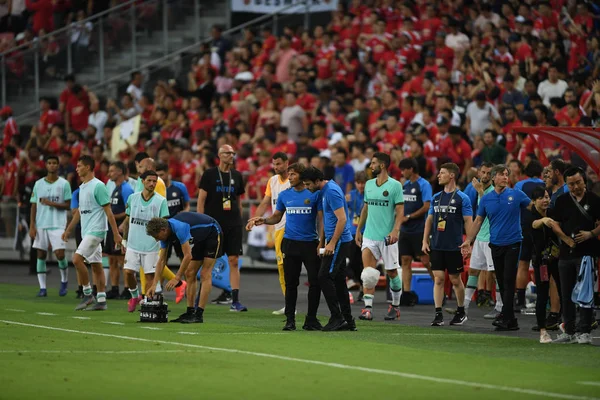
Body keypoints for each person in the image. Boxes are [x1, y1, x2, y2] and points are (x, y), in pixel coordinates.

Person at [247, 163, 322, 331]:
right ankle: (290, 320)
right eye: (289, 174)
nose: (290, 177)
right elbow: (276, 216)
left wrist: (322, 242)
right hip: (290, 243)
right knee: (290, 284)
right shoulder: (284, 195)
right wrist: (263, 220)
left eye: (293, 174)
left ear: (302, 176)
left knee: (315, 282)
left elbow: (322, 219)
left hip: (310, 243)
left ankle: (311, 320)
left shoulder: (314, 194)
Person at [461, 164, 532, 331]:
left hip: (513, 243)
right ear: (494, 178)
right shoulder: (486, 198)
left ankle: (505, 315)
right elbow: (478, 220)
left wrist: (544, 217)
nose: (505, 177)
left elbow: (533, 207)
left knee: (507, 279)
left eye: (507, 174)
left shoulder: (516, 194)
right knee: (500, 279)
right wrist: (469, 240)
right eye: (501, 174)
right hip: (495, 244)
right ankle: (509, 318)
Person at [62, 156, 122, 311]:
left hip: (97, 231)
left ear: (88, 167)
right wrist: (68, 229)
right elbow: (80, 212)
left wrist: (116, 234)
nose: (76, 169)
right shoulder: (82, 187)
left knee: (76, 259)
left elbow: (109, 212)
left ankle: (87, 293)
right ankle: (101, 300)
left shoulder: (99, 186)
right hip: (86, 231)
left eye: (79, 166)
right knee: (96, 266)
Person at [550, 167, 600, 344]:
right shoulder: (562, 200)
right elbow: (554, 224)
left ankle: (584, 331)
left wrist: (590, 234)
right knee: (566, 293)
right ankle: (569, 330)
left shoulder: (594, 200)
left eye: (578, 182)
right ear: (567, 184)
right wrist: (565, 239)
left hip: (587, 253)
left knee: (586, 293)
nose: (575, 187)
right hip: (565, 254)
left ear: (584, 181)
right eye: (571, 184)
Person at [303, 167, 356, 332]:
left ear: (318, 181)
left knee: (324, 276)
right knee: (339, 281)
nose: (307, 187)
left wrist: (332, 243)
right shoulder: (324, 191)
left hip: (339, 240)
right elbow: (328, 219)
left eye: (308, 184)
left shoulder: (331, 191)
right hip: (333, 239)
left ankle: (336, 317)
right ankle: (348, 320)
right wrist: (322, 241)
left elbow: (342, 219)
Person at [146, 212, 224, 324]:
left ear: (163, 230)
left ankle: (199, 314)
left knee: (205, 273)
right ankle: (190, 312)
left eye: (157, 237)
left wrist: (177, 277)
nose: (157, 240)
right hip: (200, 238)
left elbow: (188, 256)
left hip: (213, 231)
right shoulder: (165, 233)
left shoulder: (179, 228)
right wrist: (154, 284)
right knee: (189, 273)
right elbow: (161, 260)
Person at [354, 152, 404, 321]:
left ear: (382, 165)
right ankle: (367, 310)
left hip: (387, 237)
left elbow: (400, 211)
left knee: (392, 274)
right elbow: (366, 208)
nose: (371, 166)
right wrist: (359, 229)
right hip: (370, 235)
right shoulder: (368, 184)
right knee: (368, 274)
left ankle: (395, 306)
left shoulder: (395, 186)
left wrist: (395, 230)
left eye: (373, 163)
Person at [198, 144, 247, 312]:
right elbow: (201, 200)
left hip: (233, 223)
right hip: (213, 223)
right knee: (209, 261)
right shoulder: (209, 174)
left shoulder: (238, 175)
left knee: (233, 260)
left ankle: (235, 300)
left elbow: (238, 201)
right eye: (228, 153)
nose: (231, 156)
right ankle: (200, 296)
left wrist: (239, 220)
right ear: (220, 155)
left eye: (233, 153)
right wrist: (201, 221)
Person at [422, 163, 473, 327]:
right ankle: (438, 313)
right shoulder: (436, 197)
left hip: (454, 245)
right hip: (436, 244)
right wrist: (424, 240)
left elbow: (468, 221)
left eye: (442, 173)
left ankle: (461, 311)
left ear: (452, 176)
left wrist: (468, 241)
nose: (438, 175)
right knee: (438, 278)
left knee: (455, 279)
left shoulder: (462, 198)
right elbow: (429, 219)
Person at [132, 155, 186, 303]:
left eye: (142, 166)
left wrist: (157, 228)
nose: (139, 168)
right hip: (141, 226)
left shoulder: (158, 183)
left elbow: (159, 205)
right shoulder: (140, 181)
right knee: (145, 262)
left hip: (152, 227)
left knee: (153, 262)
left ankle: (176, 284)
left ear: (149, 168)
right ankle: (147, 294)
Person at [121, 170, 170, 313]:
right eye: (149, 180)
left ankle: (147, 304)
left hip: (151, 246)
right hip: (133, 244)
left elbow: (164, 225)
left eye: (154, 181)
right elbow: (127, 221)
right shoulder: (132, 198)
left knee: (149, 277)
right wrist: (124, 240)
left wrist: (162, 244)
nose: (152, 184)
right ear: (142, 181)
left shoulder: (161, 201)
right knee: (128, 272)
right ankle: (135, 296)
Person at [459, 162, 502, 318]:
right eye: (483, 172)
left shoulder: (494, 191)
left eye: (489, 173)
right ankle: (463, 306)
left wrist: (480, 192)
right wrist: (471, 239)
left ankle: (499, 307)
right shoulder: (477, 190)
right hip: (480, 238)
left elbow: (490, 210)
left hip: (492, 238)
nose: (485, 175)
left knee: (495, 273)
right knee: (473, 271)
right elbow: (478, 218)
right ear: (478, 172)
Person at [250, 152, 290, 315]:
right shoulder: (272, 181)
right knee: (282, 267)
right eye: (274, 164)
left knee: (303, 267)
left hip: (293, 228)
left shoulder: (294, 181)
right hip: (278, 229)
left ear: (287, 163)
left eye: (279, 164)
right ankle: (289, 304)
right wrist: (255, 219)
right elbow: (266, 202)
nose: (276, 167)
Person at [29, 155, 72, 297]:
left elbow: (68, 205)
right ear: (46, 165)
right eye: (49, 163)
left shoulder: (64, 184)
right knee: (40, 254)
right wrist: (32, 226)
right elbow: (33, 205)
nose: (52, 165)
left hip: (58, 224)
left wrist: (50, 203)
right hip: (41, 224)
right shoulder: (38, 184)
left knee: (60, 254)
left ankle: (64, 281)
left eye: (54, 163)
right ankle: (42, 288)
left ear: (58, 165)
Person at [398, 158, 433, 305]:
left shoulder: (424, 185)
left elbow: (426, 206)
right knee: (405, 260)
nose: (402, 172)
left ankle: (440, 286)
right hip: (405, 230)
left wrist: (409, 216)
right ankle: (406, 293)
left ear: (411, 169)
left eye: (403, 169)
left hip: (419, 229)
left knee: (425, 260)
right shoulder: (405, 185)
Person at [530, 187, 562, 344]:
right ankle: (542, 330)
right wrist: (543, 221)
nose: (545, 200)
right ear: (534, 201)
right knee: (542, 295)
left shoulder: (553, 212)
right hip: (541, 262)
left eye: (547, 197)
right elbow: (533, 224)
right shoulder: (530, 214)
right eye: (541, 197)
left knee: (564, 291)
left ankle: (568, 326)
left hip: (557, 258)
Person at [514, 160, 545, 310]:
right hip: (542, 227)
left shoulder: (520, 185)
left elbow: (515, 205)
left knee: (523, 264)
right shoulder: (545, 185)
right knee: (542, 264)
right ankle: (543, 297)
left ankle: (520, 299)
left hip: (524, 227)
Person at [104, 161, 134, 300]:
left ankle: (128, 289)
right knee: (112, 259)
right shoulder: (116, 188)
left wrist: (119, 220)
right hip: (112, 227)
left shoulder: (126, 189)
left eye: (112, 171)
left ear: (120, 172)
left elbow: (131, 209)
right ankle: (115, 288)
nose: (109, 173)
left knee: (123, 260)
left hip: (121, 228)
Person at [156, 162, 190, 261]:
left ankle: (185, 277)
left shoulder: (180, 187)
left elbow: (187, 205)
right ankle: (160, 277)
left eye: (161, 175)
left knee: (183, 257)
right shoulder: (155, 190)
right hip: (163, 228)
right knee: (162, 259)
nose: (159, 178)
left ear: (167, 173)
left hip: (179, 227)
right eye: (157, 176)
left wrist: (184, 213)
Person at [345, 171, 366, 302]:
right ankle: (358, 282)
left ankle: (364, 288)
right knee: (352, 261)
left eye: (363, 183)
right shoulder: (351, 196)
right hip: (352, 231)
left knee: (364, 262)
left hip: (366, 231)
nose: (361, 185)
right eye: (358, 183)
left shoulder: (369, 195)